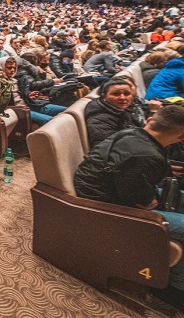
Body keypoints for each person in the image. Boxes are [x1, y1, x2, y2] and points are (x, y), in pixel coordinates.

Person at [73, 105, 184, 312]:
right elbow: (140, 202)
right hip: (104, 209)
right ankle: (175, 288)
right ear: (181, 135)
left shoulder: (132, 132)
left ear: (150, 121)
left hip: (106, 194)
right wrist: (152, 196)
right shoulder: (146, 156)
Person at [0, 57, 66, 125]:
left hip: (31, 105)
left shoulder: (18, 79)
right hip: (18, 111)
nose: (12, 70)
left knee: (66, 111)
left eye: (14, 68)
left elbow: (24, 93)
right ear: (1, 68)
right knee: (50, 121)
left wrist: (29, 95)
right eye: (9, 68)